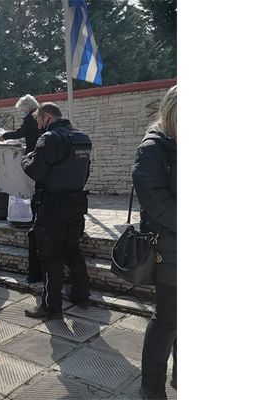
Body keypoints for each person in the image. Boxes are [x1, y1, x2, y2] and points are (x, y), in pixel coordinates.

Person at [21, 102, 92, 319]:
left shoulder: (51, 138)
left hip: (52, 206)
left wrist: (25, 160)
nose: (39, 126)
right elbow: (86, 172)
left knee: (50, 257)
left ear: (47, 117)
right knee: (72, 251)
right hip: (76, 202)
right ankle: (81, 296)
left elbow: (36, 171)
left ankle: (51, 307)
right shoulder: (82, 138)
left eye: (39, 120)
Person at [132, 85, 177, 400]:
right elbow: (154, 199)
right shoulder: (153, 147)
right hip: (169, 247)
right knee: (168, 318)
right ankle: (151, 387)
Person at [0, 94, 45, 282]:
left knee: (34, 183)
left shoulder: (32, 117)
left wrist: (5, 136)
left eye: (22, 109)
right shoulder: (37, 116)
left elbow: (22, 132)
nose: (22, 112)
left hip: (33, 154)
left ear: (28, 107)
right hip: (35, 150)